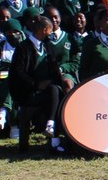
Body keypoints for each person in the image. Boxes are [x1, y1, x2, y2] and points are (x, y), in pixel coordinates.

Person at [9, 15, 66, 153]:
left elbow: (54, 69)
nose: (51, 34)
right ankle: (52, 137)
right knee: (52, 93)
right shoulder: (23, 47)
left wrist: (53, 80)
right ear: (44, 30)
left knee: (55, 90)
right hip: (27, 92)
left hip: (47, 90)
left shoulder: (47, 46)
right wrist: (35, 84)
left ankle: (51, 128)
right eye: (50, 31)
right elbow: (18, 73)